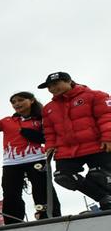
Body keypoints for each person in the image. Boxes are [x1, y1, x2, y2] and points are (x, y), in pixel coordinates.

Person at [0, 92, 61, 222]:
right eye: (13, 102)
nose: (16, 104)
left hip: (36, 159)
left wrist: (33, 135)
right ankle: (13, 221)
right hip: (11, 162)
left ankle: (50, 215)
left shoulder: (41, 119)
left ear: (32, 101)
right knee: (10, 193)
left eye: (20, 100)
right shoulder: (6, 121)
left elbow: (50, 137)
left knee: (42, 189)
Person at [38, 71, 111, 210]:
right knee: (63, 176)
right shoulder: (48, 108)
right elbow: (49, 131)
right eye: (49, 86)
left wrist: (108, 137)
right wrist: (50, 146)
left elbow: (106, 117)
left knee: (99, 175)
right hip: (67, 149)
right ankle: (104, 198)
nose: (52, 89)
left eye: (56, 84)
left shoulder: (95, 96)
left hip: (96, 144)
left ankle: (107, 201)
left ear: (69, 81)